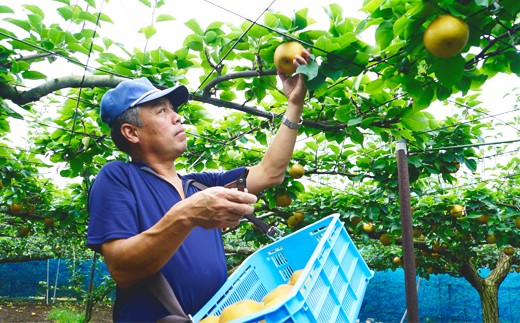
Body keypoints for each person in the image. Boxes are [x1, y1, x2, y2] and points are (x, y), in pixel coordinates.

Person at [87, 48, 311, 322]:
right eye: (162, 111)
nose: (177, 117)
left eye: (174, 109)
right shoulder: (118, 177)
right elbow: (123, 269)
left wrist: (295, 104)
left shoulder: (198, 185)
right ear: (131, 132)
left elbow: (270, 172)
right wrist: (187, 214)